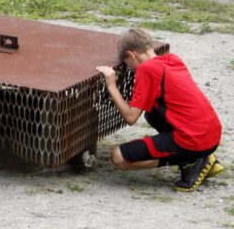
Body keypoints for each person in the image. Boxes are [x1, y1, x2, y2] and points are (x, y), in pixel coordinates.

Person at [96, 28, 223, 192]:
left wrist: (112, 85)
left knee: (118, 157)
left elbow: (130, 117)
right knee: (152, 113)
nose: (131, 70)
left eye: (127, 64)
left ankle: (189, 161)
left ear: (132, 54)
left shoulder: (146, 69)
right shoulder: (172, 59)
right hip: (210, 134)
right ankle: (196, 156)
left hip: (192, 140)